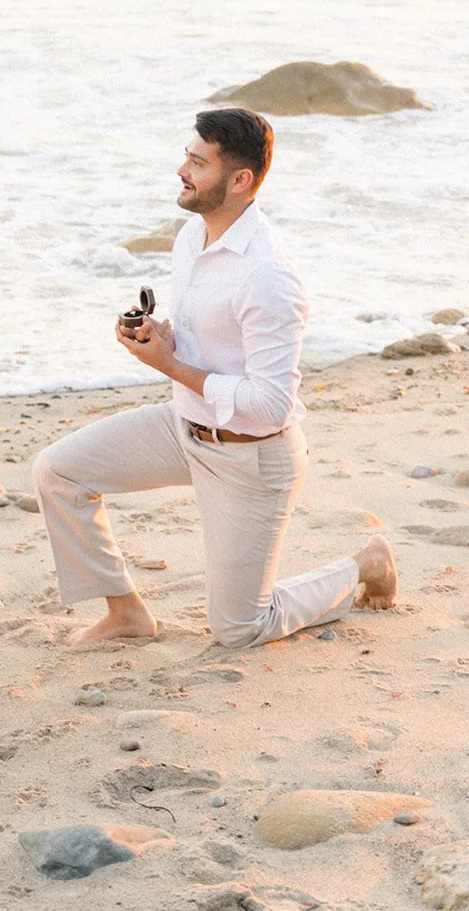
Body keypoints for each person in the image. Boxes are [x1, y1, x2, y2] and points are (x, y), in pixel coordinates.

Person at [33, 106, 398, 649]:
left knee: (239, 629)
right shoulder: (191, 238)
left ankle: (366, 564)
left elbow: (272, 404)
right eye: (187, 155)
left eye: (197, 162)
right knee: (58, 473)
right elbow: (209, 341)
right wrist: (160, 337)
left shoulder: (269, 275)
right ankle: (127, 614)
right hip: (185, 428)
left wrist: (171, 367)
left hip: (252, 459)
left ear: (240, 180)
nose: (182, 169)